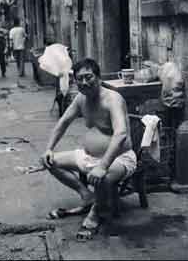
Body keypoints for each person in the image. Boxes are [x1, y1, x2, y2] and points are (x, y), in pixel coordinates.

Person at [40, 58, 137, 241]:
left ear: (98, 77)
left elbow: (121, 134)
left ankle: (95, 212)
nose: (84, 82)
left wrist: (103, 166)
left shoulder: (113, 99)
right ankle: (87, 196)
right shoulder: (80, 99)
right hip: (88, 156)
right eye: (80, 79)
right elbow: (63, 123)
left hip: (120, 158)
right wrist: (49, 149)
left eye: (88, 77)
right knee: (49, 161)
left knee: (104, 176)